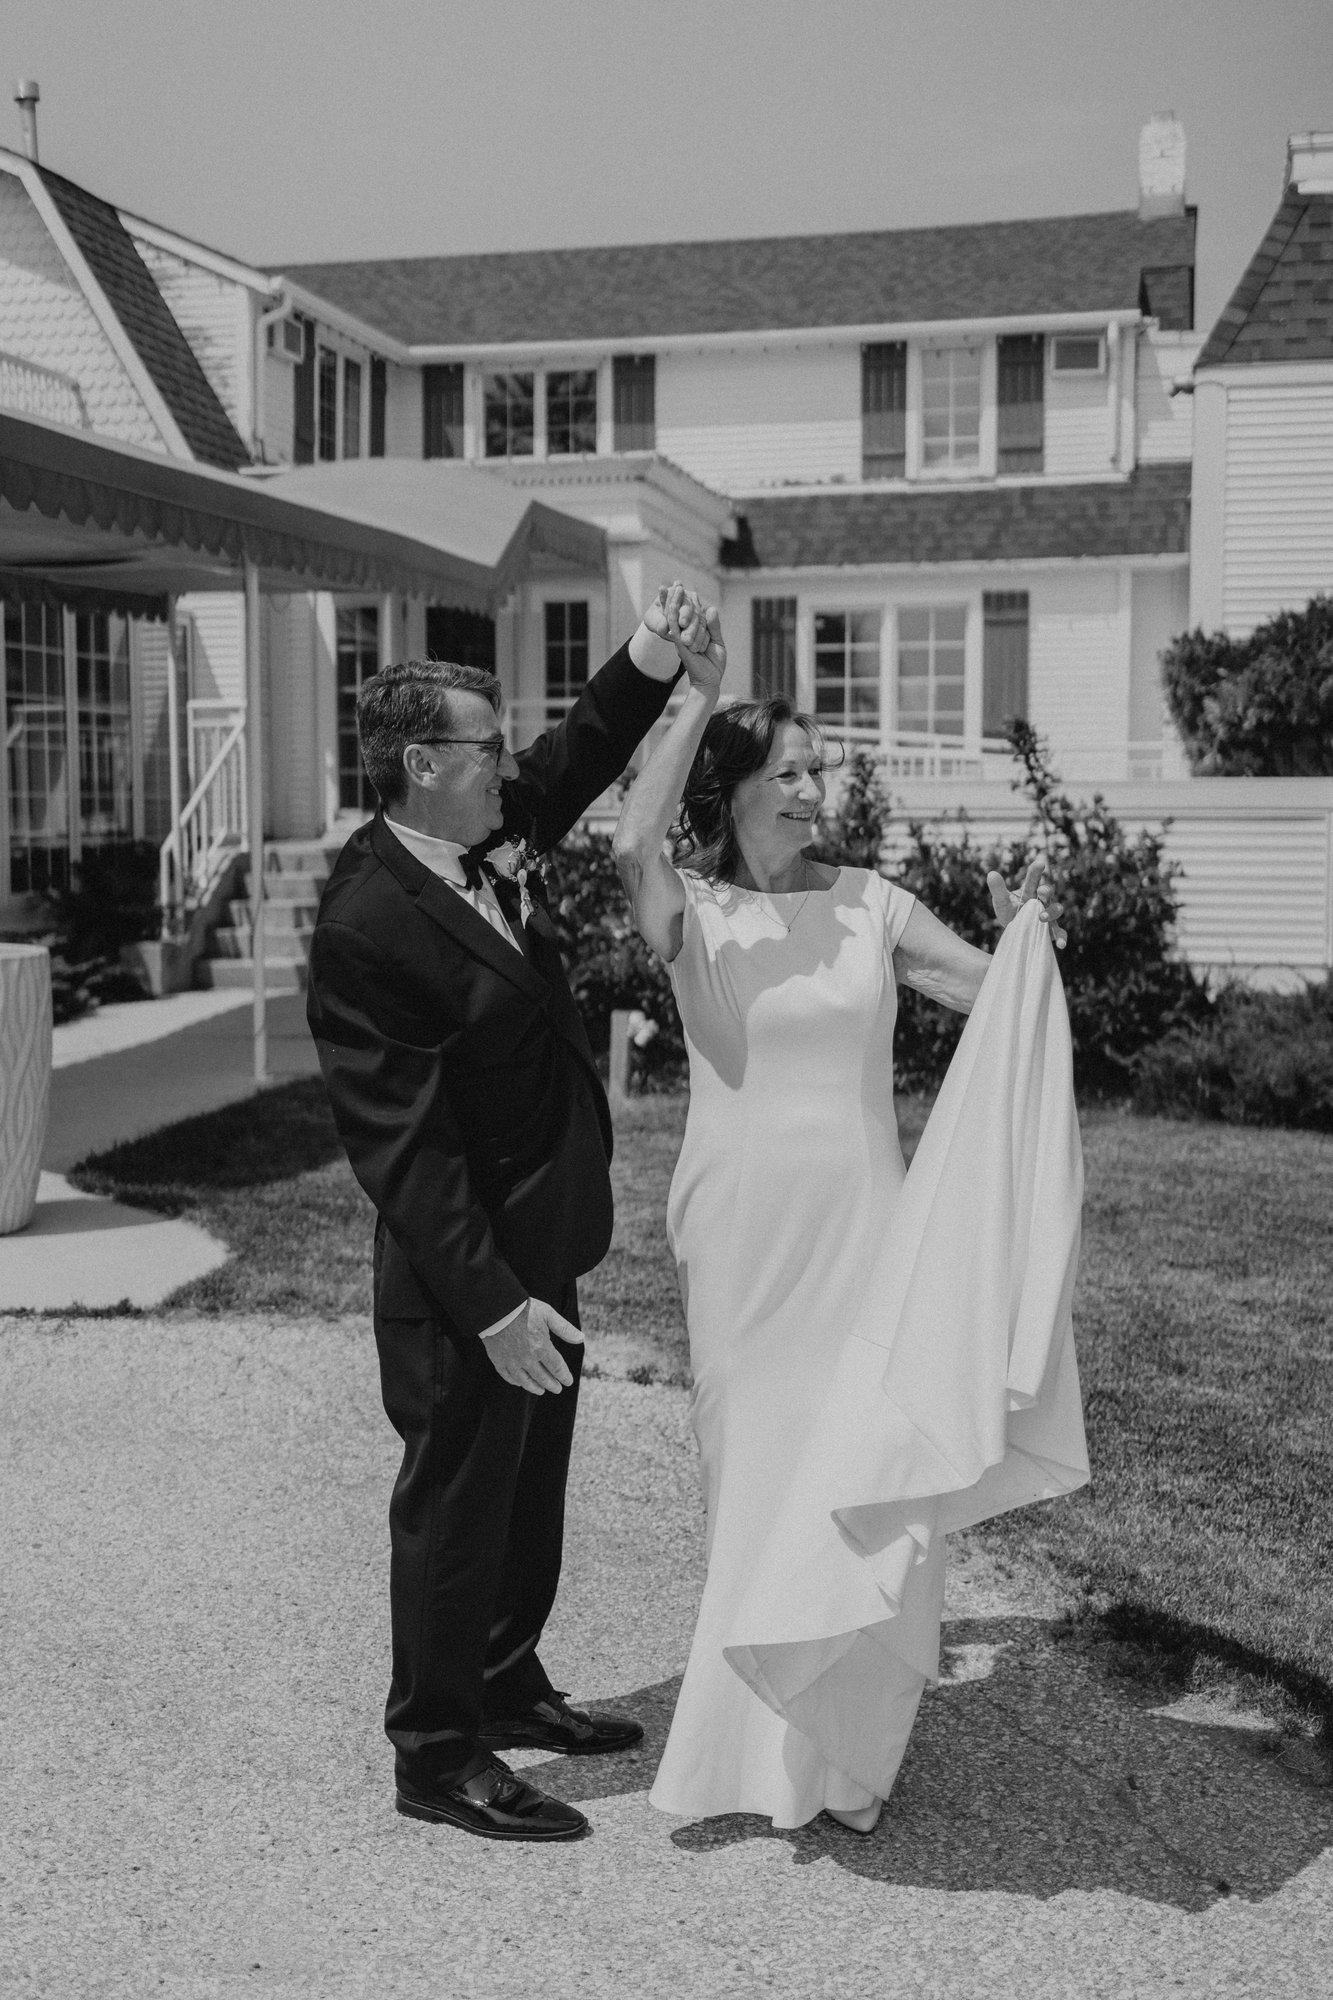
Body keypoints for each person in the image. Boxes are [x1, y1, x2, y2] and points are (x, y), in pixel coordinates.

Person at [614, 596, 1080, 1834]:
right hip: (742, 1238)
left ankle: (840, 1758)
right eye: (795, 769)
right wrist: (696, 693)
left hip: (863, 1231)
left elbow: (993, 995)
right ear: (738, 788)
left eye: (821, 765)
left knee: (858, 1473)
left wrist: (1033, 937)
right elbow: (627, 840)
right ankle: (741, 1763)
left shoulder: (873, 904)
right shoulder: (694, 917)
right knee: (756, 1480)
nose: (819, 784)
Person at [307, 586, 706, 1843]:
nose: (510, 763)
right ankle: (435, 1749)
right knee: (456, 1501)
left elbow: (580, 750)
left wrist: (653, 651)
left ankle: (506, 1678)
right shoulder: (368, 920)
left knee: (531, 1488)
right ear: (424, 764)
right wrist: (490, 1306)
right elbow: (405, 1151)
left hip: (542, 1245)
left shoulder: (487, 825)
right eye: (488, 745)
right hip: (459, 1287)